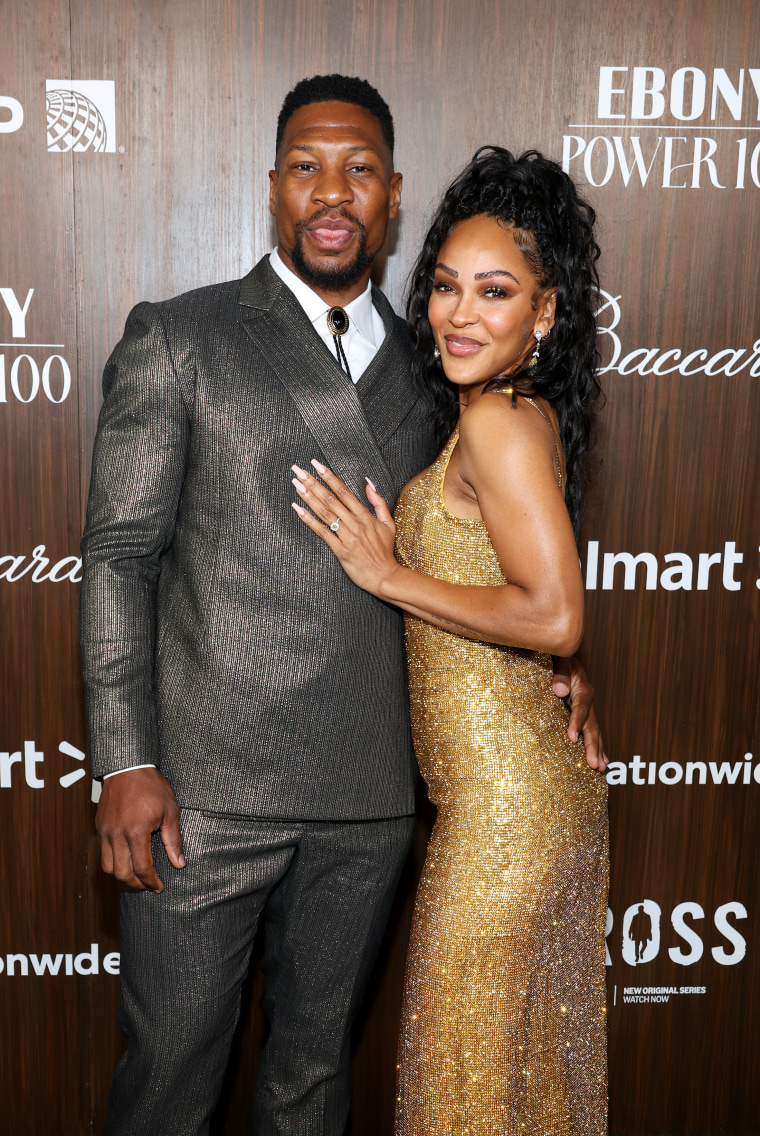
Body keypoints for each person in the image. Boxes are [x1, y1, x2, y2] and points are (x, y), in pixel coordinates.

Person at [80, 70, 603, 1136]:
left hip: (368, 795)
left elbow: (496, 550)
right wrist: (126, 759)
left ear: (393, 194)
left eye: (359, 170)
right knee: (172, 1076)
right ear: (272, 185)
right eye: (308, 167)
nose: (332, 191)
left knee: (311, 1082)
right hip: (204, 794)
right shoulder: (180, 336)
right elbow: (120, 555)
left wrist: (553, 663)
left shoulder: (443, 363)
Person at [291, 147, 609, 1134]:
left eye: (495, 291)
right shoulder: (502, 412)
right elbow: (529, 604)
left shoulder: (499, 425)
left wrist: (388, 574)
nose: (458, 314)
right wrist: (564, 675)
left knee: (469, 1093)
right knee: (513, 1091)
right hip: (513, 801)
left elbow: (554, 612)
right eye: (442, 286)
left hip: (503, 820)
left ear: (545, 312)